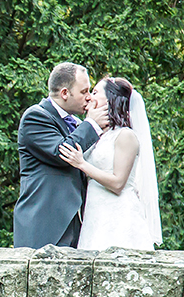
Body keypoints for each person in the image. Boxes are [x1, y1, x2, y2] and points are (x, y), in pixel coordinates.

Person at [13, 62, 112, 248]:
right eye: (84, 92)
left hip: (79, 227)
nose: (89, 98)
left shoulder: (76, 123)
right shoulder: (35, 117)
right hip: (44, 227)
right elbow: (63, 153)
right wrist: (91, 125)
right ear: (65, 93)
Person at [58, 77, 162, 251]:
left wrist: (82, 164)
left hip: (119, 215)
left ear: (111, 99)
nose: (89, 97)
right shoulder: (97, 137)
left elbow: (118, 183)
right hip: (94, 214)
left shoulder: (125, 136)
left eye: (96, 93)